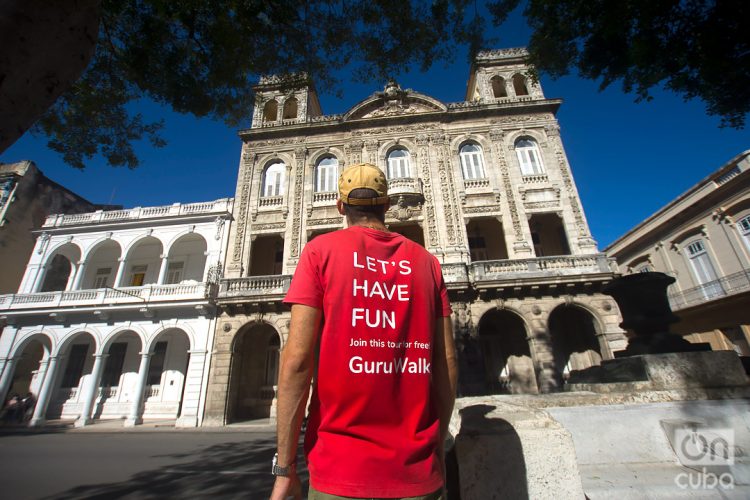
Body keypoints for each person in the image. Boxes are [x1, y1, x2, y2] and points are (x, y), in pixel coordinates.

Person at [271, 163, 458, 500]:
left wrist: (285, 468)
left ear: (341, 206)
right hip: (418, 474)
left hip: (338, 473)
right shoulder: (427, 262)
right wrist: (438, 447)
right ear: (386, 205)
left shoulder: (319, 252)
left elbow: (297, 362)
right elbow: (445, 362)